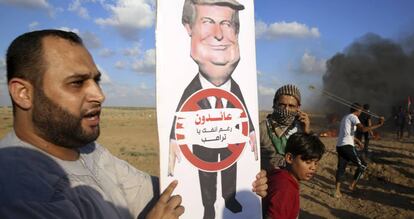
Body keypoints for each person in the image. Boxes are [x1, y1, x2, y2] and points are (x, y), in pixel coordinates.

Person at [0, 29, 268, 218]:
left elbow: (163, 192)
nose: (99, 95)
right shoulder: (22, 193)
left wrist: (242, 184)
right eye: (76, 83)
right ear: (23, 93)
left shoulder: (87, 151)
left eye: (96, 80)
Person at [167, 1, 260, 218]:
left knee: (230, 169)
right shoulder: (191, 88)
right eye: (207, 21)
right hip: (203, 143)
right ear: (188, 27)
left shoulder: (235, 86)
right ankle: (208, 206)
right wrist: (173, 138)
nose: (218, 34)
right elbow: (180, 112)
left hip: (231, 141)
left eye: (226, 23)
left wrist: (252, 130)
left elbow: (242, 107)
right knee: (206, 175)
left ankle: (230, 198)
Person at [263, 133, 325, 219]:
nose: (313, 167)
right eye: (308, 162)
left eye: (316, 163)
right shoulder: (286, 188)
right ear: (289, 158)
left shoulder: (280, 174)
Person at [334, 103, 384, 198]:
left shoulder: (345, 117)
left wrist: (357, 141)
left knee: (341, 168)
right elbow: (363, 129)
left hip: (340, 146)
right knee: (363, 165)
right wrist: (379, 124)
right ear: (358, 110)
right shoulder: (353, 117)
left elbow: (348, 134)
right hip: (347, 146)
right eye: (360, 111)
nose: (361, 112)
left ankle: (337, 191)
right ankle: (352, 186)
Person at [260, 84, 311, 171]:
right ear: (274, 104)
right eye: (282, 105)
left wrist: (306, 132)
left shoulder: (300, 128)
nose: (286, 109)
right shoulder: (262, 128)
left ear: (298, 108)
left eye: (291, 106)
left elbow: (308, 156)